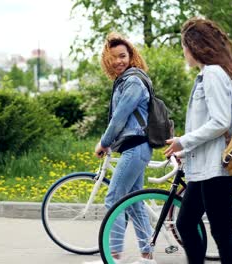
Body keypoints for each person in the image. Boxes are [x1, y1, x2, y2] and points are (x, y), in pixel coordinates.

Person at [164, 17, 232, 264]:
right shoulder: (213, 74)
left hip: (216, 170)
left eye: (184, 47)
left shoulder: (213, 74)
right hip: (205, 169)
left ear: (195, 47)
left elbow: (220, 122)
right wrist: (185, 150)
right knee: (186, 224)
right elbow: (206, 124)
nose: (184, 53)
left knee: (221, 234)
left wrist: (183, 142)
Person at [86, 33, 155, 264]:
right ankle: (147, 256)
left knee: (114, 198)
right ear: (107, 60)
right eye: (113, 57)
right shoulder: (125, 80)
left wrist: (104, 143)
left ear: (131, 55)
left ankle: (112, 256)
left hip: (136, 147)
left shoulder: (134, 81)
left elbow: (119, 118)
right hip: (133, 148)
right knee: (134, 203)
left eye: (123, 56)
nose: (119, 61)